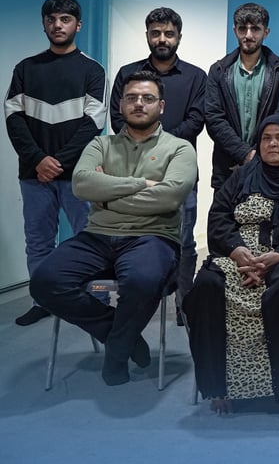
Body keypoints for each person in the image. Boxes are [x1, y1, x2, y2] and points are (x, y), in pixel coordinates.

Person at [30, 71, 197, 386]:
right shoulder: (100, 144)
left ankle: (116, 354)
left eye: (147, 98)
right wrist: (142, 184)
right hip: (96, 236)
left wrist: (106, 196)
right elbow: (81, 184)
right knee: (44, 281)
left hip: (152, 236)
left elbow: (170, 196)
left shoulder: (180, 148)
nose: (139, 103)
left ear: (161, 106)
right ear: (120, 104)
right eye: (132, 97)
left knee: (142, 281)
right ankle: (119, 336)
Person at [184, 114, 279, 413]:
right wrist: (237, 251)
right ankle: (219, 386)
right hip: (238, 256)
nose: (272, 144)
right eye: (266, 138)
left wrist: (277, 256)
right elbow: (219, 216)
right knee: (207, 287)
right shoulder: (242, 176)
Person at [5, 0, 106, 326]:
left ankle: (93, 301)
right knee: (38, 242)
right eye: (51, 19)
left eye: (65, 19)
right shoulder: (25, 68)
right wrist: (38, 160)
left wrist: (57, 163)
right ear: (44, 24)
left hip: (77, 174)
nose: (57, 25)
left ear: (78, 25)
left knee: (88, 238)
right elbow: (13, 119)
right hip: (34, 175)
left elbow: (93, 123)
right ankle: (43, 300)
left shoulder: (92, 70)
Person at [110, 7, 206, 322]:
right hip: (133, 174)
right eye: (156, 33)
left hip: (180, 176)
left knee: (184, 242)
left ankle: (184, 305)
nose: (162, 39)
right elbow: (117, 119)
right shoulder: (128, 74)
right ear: (147, 35)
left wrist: (160, 148)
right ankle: (135, 301)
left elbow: (196, 121)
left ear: (178, 37)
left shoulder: (196, 77)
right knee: (133, 239)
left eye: (168, 33)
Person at [205, 2, 279, 193]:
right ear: (235, 30)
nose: (249, 35)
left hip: (268, 166)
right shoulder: (218, 70)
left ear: (266, 32)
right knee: (223, 213)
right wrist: (244, 153)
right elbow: (213, 118)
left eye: (255, 29)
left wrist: (258, 156)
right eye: (243, 29)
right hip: (227, 167)